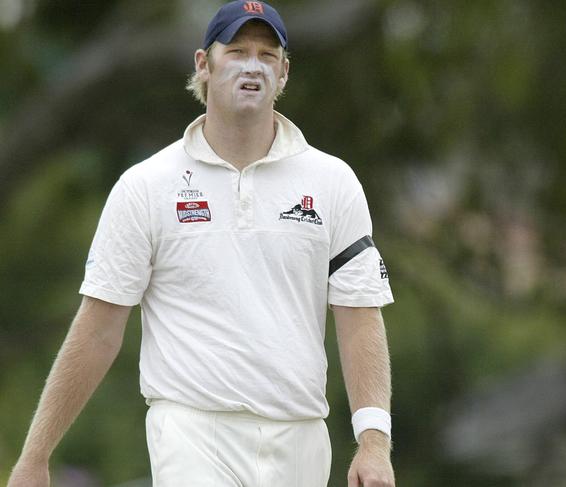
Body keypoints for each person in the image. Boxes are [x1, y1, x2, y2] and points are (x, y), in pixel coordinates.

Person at [8, 1, 395, 486]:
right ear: (203, 65)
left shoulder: (333, 182)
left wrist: (374, 442)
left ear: (284, 72)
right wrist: (36, 454)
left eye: (267, 54)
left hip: (300, 435)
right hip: (192, 429)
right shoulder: (147, 186)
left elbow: (360, 318)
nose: (252, 65)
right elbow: (99, 330)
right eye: (235, 51)